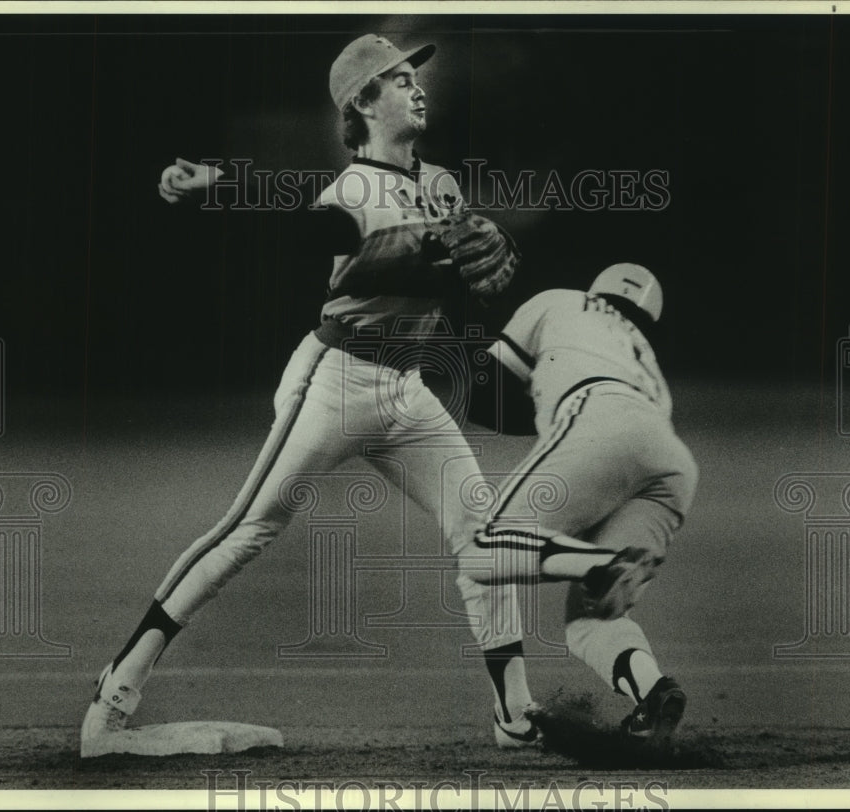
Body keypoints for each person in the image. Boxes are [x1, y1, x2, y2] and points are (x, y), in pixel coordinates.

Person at [80, 34, 539, 757]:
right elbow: (314, 225)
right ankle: (117, 686)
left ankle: (516, 712)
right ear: (362, 102)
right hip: (336, 382)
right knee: (247, 532)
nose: (416, 86)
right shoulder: (351, 190)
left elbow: (451, 292)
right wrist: (221, 185)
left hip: (407, 391)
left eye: (413, 75)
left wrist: (493, 260)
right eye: (396, 79)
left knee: (483, 530)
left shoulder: (445, 185)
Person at [459, 262, 699, 744]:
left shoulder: (559, 298)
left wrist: (549, 408)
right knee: (594, 617)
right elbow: (627, 445)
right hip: (672, 460)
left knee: (481, 550)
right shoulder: (645, 357)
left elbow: (479, 394)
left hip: (593, 415)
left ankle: (599, 565)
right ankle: (653, 695)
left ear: (598, 288)